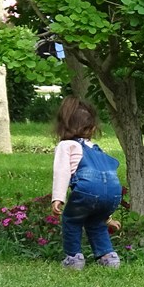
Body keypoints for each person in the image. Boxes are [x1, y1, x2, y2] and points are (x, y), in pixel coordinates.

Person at [51, 97, 123, 270]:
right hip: (114, 192)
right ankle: (108, 257)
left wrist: (58, 198)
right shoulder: (95, 148)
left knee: (71, 219)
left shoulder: (66, 145)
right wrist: (108, 216)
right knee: (96, 221)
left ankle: (73, 258)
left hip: (87, 190)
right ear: (92, 128)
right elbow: (102, 186)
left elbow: (62, 172)